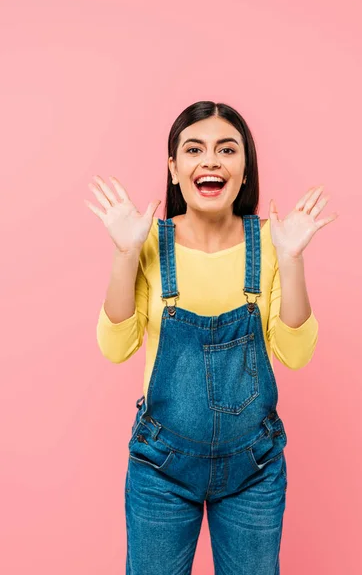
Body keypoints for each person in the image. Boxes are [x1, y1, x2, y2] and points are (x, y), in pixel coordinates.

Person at [85, 101, 338, 575]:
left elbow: (296, 352)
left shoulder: (272, 242)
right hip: (161, 468)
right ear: (175, 169)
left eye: (227, 149)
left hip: (254, 469)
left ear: (245, 171)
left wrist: (292, 259)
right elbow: (115, 347)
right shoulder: (147, 242)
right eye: (194, 149)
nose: (211, 160)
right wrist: (124, 254)